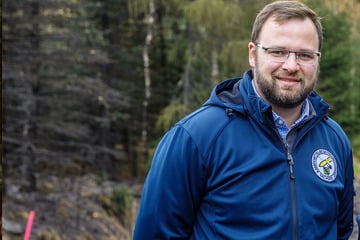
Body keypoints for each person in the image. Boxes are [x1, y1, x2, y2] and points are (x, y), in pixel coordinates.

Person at [133, 1, 355, 239]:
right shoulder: (196, 137)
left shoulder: (335, 141)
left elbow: (341, 231)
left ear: (317, 59)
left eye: (304, 55)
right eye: (277, 51)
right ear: (252, 54)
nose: (291, 65)